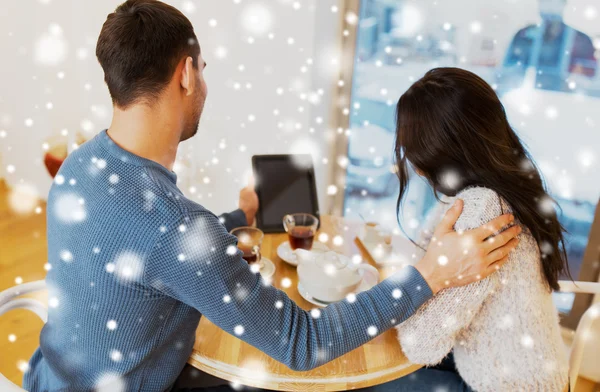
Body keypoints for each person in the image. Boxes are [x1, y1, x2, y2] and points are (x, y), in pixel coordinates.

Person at [22, 2, 521, 391]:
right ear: (186, 74)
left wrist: (241, 215)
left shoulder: (82, 164)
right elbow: (303, 343)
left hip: (50, 377)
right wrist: (430, 275)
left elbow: (141, 245)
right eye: (204, 69)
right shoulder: (175, 228)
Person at [360, 67, 570, 391]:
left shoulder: (482, 210)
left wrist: (402, 297)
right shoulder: (506, 184)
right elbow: (428, 262)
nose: (411, 162)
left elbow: (420, 344)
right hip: (530, 373)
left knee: (363, 376)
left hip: (504, 386)